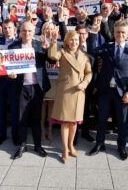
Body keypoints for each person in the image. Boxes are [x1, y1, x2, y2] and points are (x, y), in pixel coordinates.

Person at [88, 19, 128, 160]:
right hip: (105, 90)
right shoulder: (106, 47)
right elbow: (92, 50)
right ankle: (99, 144)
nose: (120, 35)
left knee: (122, 121)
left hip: (122, 92)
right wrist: (93, 32)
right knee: (101, 118)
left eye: (123, 32)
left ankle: (121, 146)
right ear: (114, 32)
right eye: (117, 32)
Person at [10, 21, 55, 160]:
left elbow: (52, 61)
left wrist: (49, 48)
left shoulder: (40, 45)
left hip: (37, 87)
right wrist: (10, 74)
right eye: (24, 31)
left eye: (29, 31)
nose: (27, 33)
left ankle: (37, 145)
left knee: (36, 118)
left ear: (34, 31)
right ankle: (22, 145)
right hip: (21, 88)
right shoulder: (13, 47)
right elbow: (7, 68)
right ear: (20, 31)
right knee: (21, 118)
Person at [48, 30, 92, 163]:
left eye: (77, 40)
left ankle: (71, 145)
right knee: (66, 121)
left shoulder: (84, 56)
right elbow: (52, 56)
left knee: (74, 122)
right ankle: (65, 149)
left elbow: (89, 73)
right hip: (66, 90)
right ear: (67, 41)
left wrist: (84, 83)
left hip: (79, 91)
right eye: (72, 40)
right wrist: (54, 41)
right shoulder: (62, 52)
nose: (74, 42)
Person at [0, 19, 19, 146]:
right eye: (5, 28)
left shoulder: (20, 43)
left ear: (14, 29)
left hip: (14, 82)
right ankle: (2, 134)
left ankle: (15, 135)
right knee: (0, 109)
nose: (7, 30)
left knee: (14, 110)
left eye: (10, 28)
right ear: (2, 29)